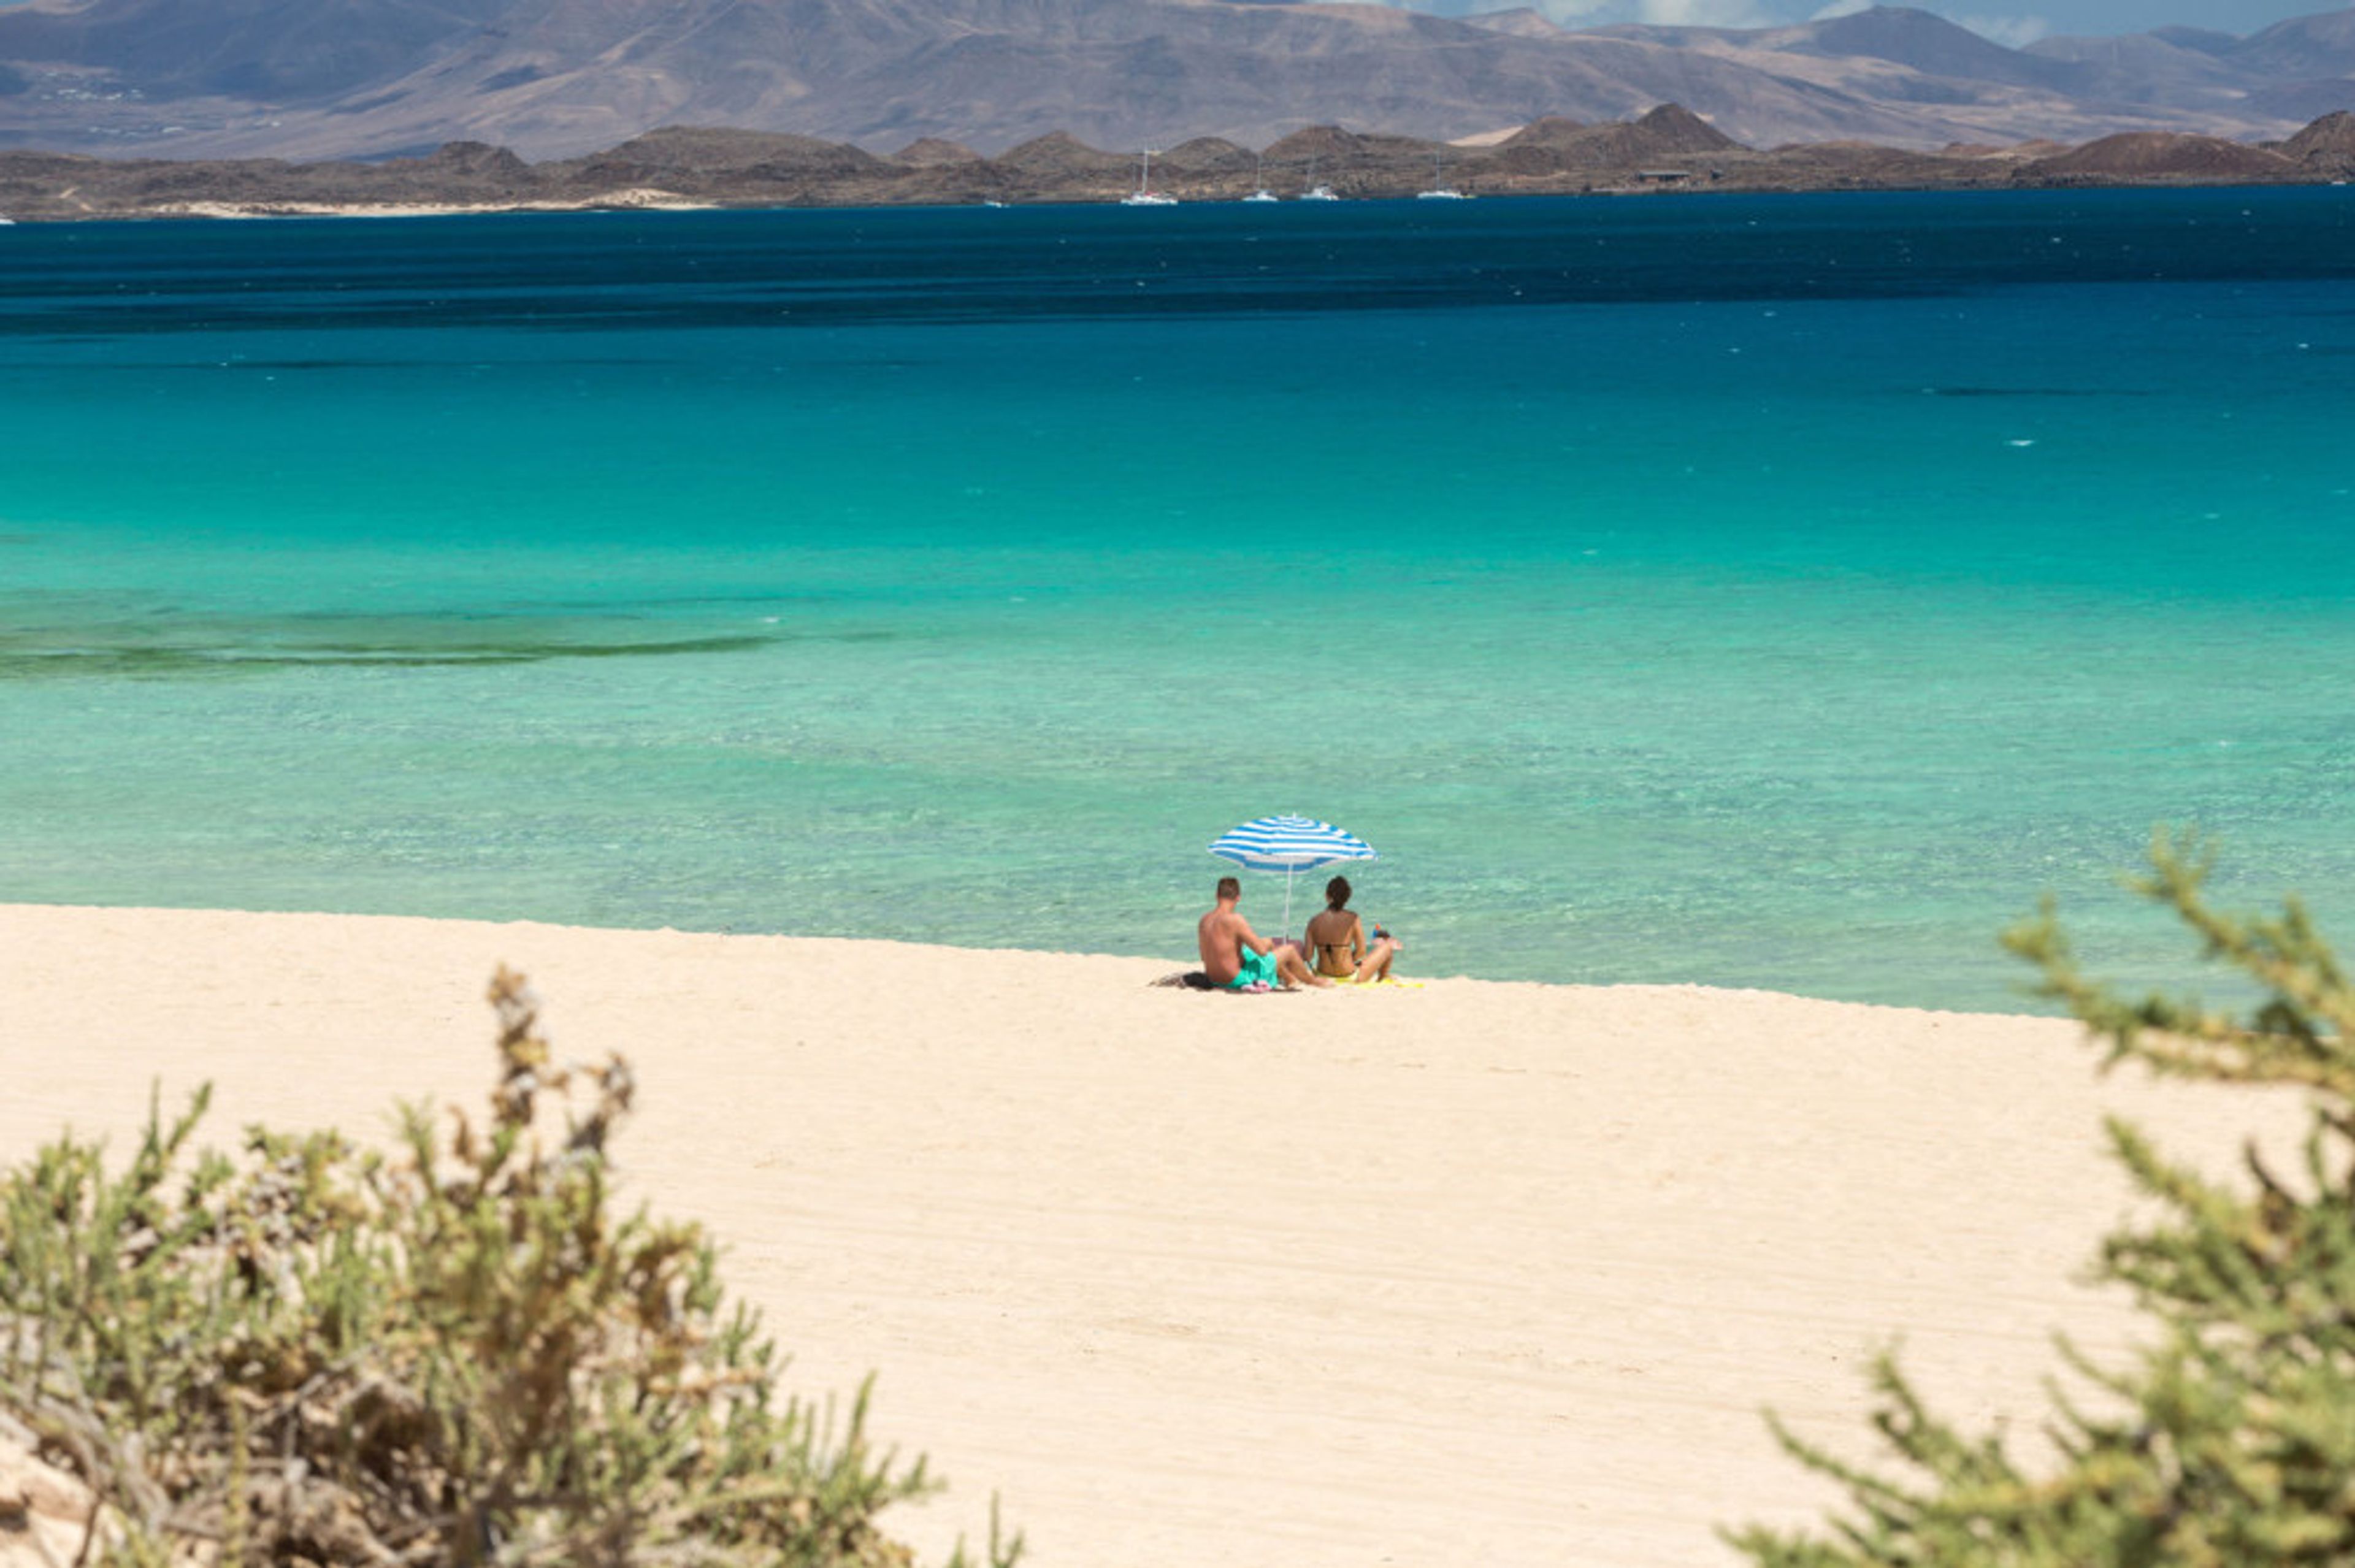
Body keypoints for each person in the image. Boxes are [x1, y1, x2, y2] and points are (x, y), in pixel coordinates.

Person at [1198, 876, 1329, 990]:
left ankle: (1290, 979)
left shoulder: (1205, 919)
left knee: (1267, 943)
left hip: (1214, 979)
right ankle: (1312, 981)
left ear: (1217, 895)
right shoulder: (1235, 919)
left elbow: (1205, 957)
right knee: (1289, 950)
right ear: (1238, 898)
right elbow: (1261, 951)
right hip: (1234, 981)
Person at [1302, 874, 1400, 985]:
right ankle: (1382, 978)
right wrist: (1348, 960)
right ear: (1347, 898)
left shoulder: (1314, 922)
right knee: (1386, 947)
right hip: (1349, 977)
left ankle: (1382, 977)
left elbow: (1308, 956)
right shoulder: (1353, 919)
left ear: (1327, 896)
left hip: (1323, 975)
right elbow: (1361, 952)